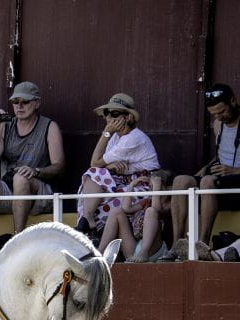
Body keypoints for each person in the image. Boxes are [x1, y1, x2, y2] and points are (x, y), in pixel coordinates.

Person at [0, 81, 65, 236]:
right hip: (10, 190)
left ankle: (17, 236)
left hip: (39, 192)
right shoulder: (7, 125)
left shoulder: (49, 126)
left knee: (20, 178)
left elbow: (59, 167)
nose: (19, 106)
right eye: (15, 102)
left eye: (25, 102)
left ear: (37, 103)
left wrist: (36, 171)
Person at [166, 83, 240, 252]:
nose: (219, 117)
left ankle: (202, 244)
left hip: (236, 182)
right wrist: (207, 167)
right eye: (214, 114)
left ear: (233, 101)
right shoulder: (218, 124)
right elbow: (223, 152)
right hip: (220, 180)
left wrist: (235, 171)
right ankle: (177, 245)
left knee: (207, 182)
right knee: (181, 180)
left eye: (222, 112)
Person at [75, 93, 160, 238]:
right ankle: (88, 221)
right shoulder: (116, 136)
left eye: (115, 114)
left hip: (144, 185)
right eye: (107, 114)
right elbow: (99, 166)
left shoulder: (134, 137)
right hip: (124, 182)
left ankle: (88, 225)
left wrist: (105, 133)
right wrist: (108, 167)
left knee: (96, 180)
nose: (109, 118)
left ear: (129, 117)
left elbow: (95, 162)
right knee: (91, 180)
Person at [96, 173, 169, 262]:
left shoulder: (168, 203)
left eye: (153, 186)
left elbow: (156, 209)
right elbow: (126, 208)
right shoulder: (147, 201)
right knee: (117, 212)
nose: (151, 188)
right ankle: (100, 253)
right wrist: (131, 186)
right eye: (151, 186)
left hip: (154, 249)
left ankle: (144, 251)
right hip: (136, 249)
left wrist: (157, 186)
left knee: (151, 211)